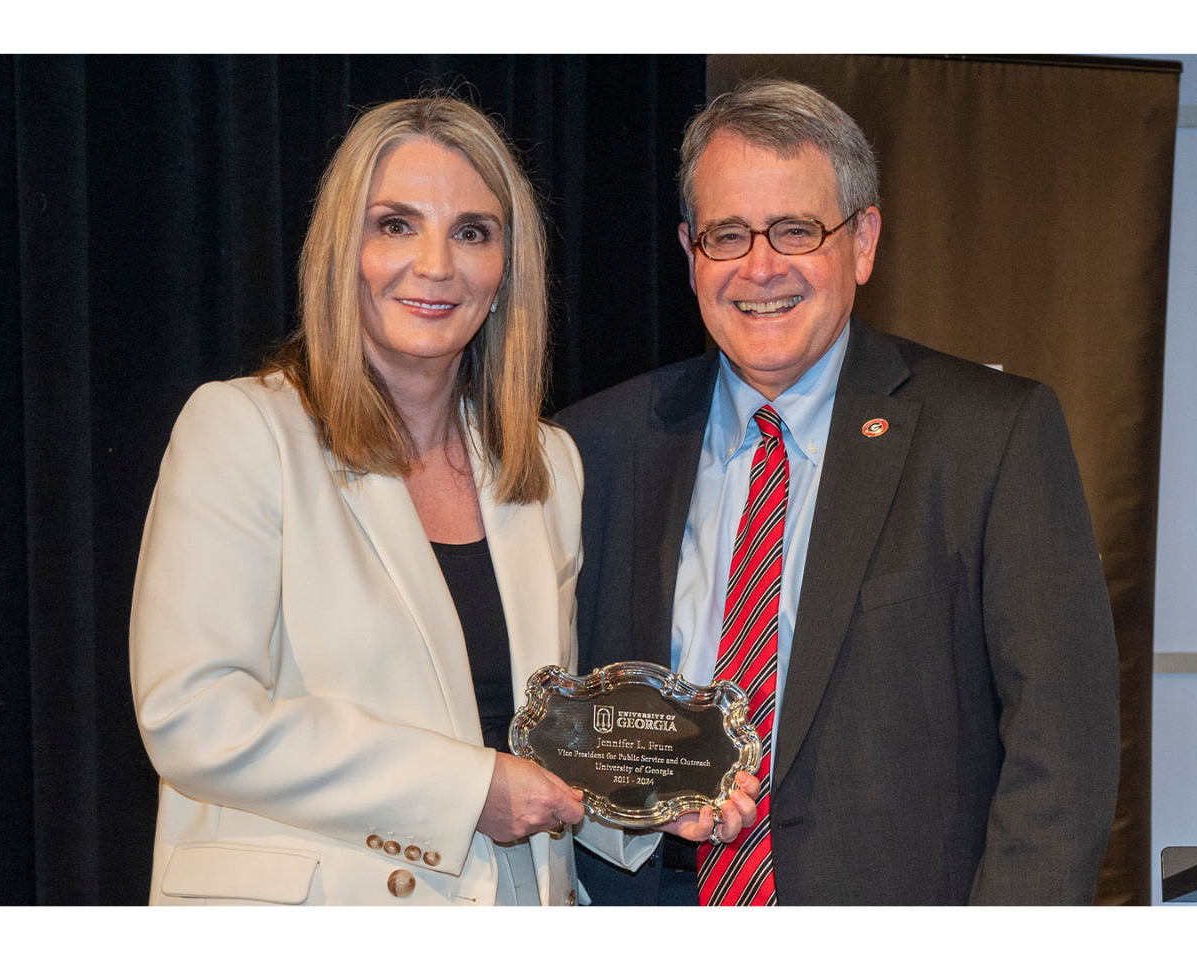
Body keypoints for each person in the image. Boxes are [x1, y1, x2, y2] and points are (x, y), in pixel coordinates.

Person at [129, 96, 756, 907]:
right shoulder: (246, 431)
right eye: (394, 223)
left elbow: (535, 735)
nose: (435, 264)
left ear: (504, 272)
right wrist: (467, 793)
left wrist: (646, 802)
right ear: (341, 251)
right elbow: (195, 717)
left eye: (472, 231)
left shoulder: (546, 467)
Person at [558, 78, 1120, 906]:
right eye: (727, 234)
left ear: (861, 242)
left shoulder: (991, 436)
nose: (760, 267)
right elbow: (553, 711)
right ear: (689, 254)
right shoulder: (592, 447)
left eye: (795, 230)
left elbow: (1061, 747)